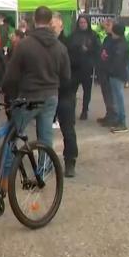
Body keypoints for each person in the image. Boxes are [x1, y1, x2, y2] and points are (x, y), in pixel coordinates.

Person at [1, 6, 70, 154]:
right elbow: (66, 76)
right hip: (51, 95)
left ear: (34, 19)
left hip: (29, 95)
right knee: (46, 139)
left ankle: (5, 167)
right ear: (50, 21)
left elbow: (11, 75)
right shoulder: (60, 47)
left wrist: (6, 91)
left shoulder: (24, 45)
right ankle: (44, 167)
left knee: (12, 135)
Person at [51, 14, 78, 177]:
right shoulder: (46, 45)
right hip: (49, 92)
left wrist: (69, 85)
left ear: (61, 27)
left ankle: (70, 160)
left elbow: (75, 68)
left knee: (67, 128)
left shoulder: (68, 45)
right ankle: (46, 160)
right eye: (50, 26)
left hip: (65, 92)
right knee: (44, 128)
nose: (52, 29)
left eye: (54, 27)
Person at [66, 15, 100, 120]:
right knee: (72, 91)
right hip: (75, 67)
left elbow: (98, 49)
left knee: (87, 91)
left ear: (88, 23)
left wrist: (89, 50)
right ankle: (71, 110)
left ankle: (85, 110)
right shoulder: (73, 35)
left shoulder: (93, 35)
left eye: (84, 22)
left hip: (87, 67)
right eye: (81, 22)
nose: (82, 24)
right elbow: (68, 48)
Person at [101, 23, 129, 133]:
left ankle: (122, 122)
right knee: (116, 98)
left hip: (117, 74)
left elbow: (118, 60)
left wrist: (110, 69)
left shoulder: (120, 44)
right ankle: (118, 120)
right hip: (114, 73)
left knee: (119, 98)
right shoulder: (117, 42)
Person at [96, 18, 117, 126]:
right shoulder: (107, 38)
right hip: (103, 70)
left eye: (108, 25)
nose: (106, 27)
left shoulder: (115, 39)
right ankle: (109, 114)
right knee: (106, 94)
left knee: (111, 95)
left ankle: (113, 117)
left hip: (110, 71)